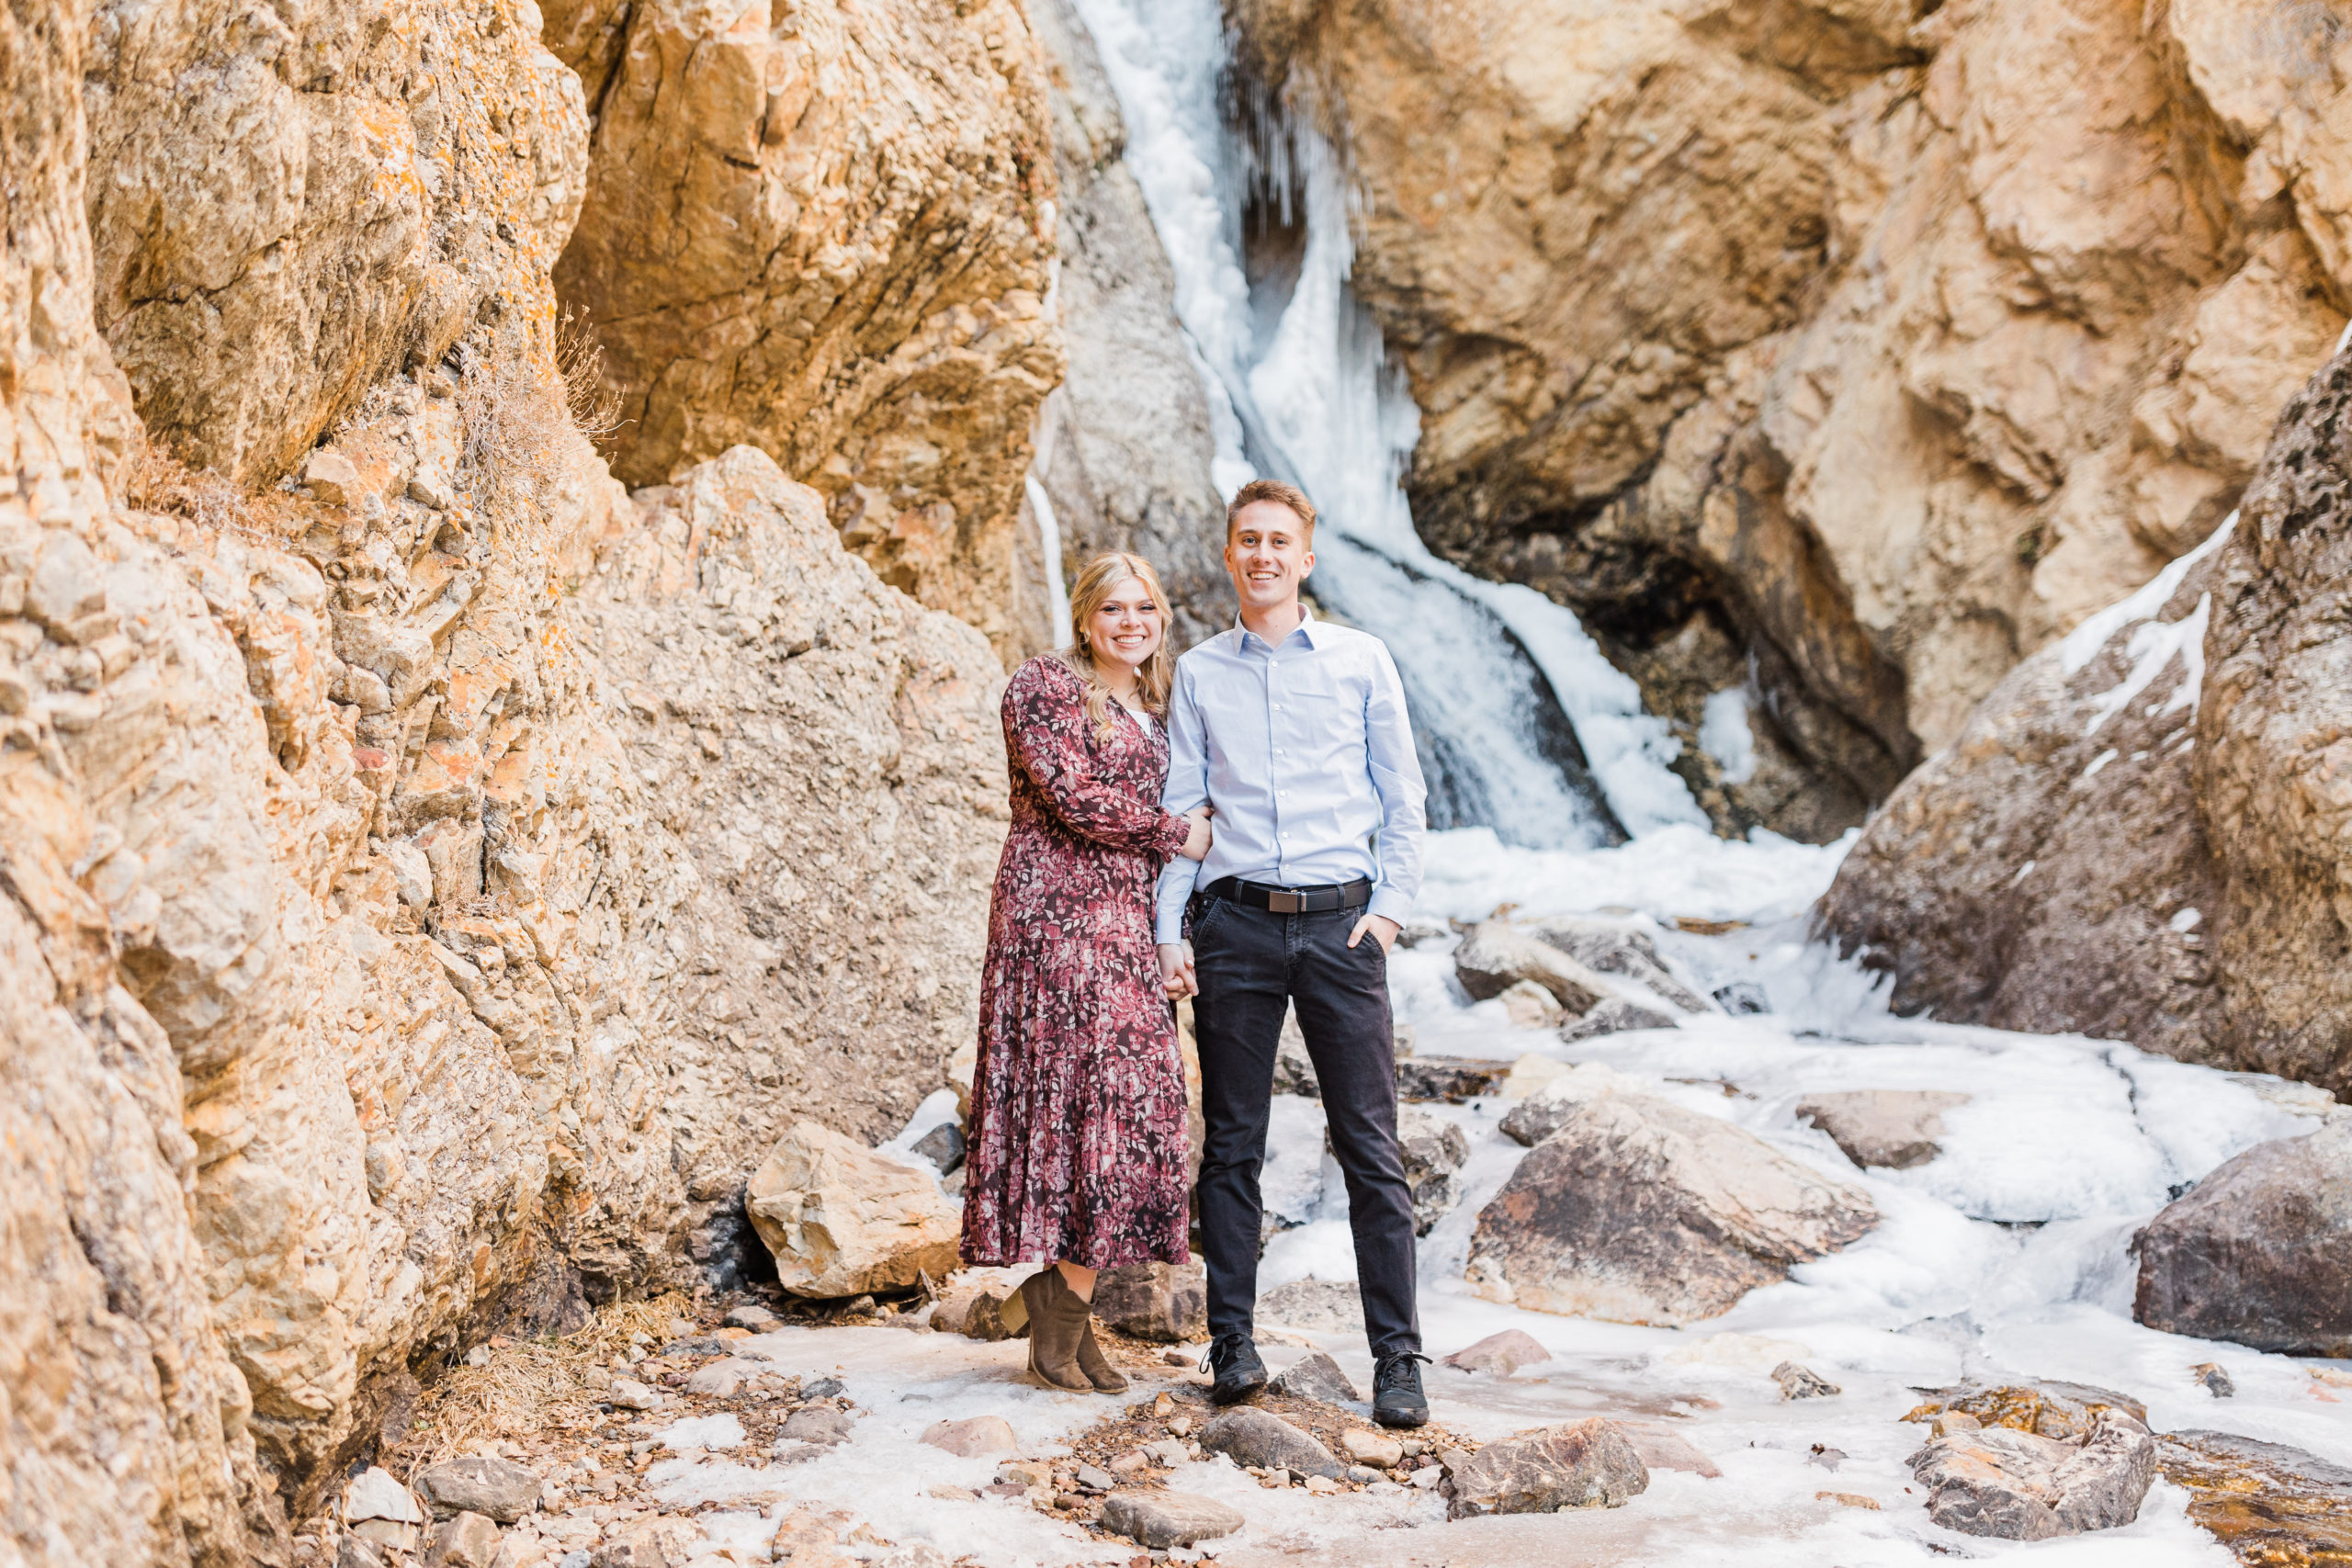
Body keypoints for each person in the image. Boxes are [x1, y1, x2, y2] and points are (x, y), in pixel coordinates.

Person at [1156, 479, 1433, 1428]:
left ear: (1305, 558)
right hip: (1231, 923)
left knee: (1369, 1149)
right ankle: (1231, 1342)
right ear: (1229, 557)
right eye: (1247, 541)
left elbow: (1402, 794)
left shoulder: (1361, 659)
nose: (1263, 555)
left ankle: (1398, 1360)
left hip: (1341, 926)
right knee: (1232, 1146)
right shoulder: (1198, 671)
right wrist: (1168, 931)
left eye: (1279, 541)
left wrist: (1391, 911)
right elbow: (1185, 815)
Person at [959, 552, 1215, 1393]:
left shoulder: (1158, 705)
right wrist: (1179, 832)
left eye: (1146, 607)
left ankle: (1059, 1302)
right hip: (1055, 912)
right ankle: (1062, 1322)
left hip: (1127, 919)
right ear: (1084, 616)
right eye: (1114, 608)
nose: (1131, 622)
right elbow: (1070, 795)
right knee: (1088, 1099)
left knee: (1134, 1107)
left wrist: (1174, 927)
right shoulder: (1044, 685)